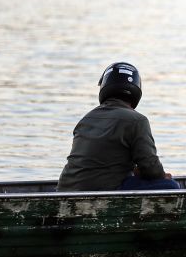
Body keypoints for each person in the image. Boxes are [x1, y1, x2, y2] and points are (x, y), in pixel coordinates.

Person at [57, 62, 179, 191]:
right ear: (137, 90)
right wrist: (162, 176)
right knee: (170, 186)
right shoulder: (138, 120)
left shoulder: (86, 119)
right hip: (103, 190)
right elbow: (151, 168)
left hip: (65, 189)